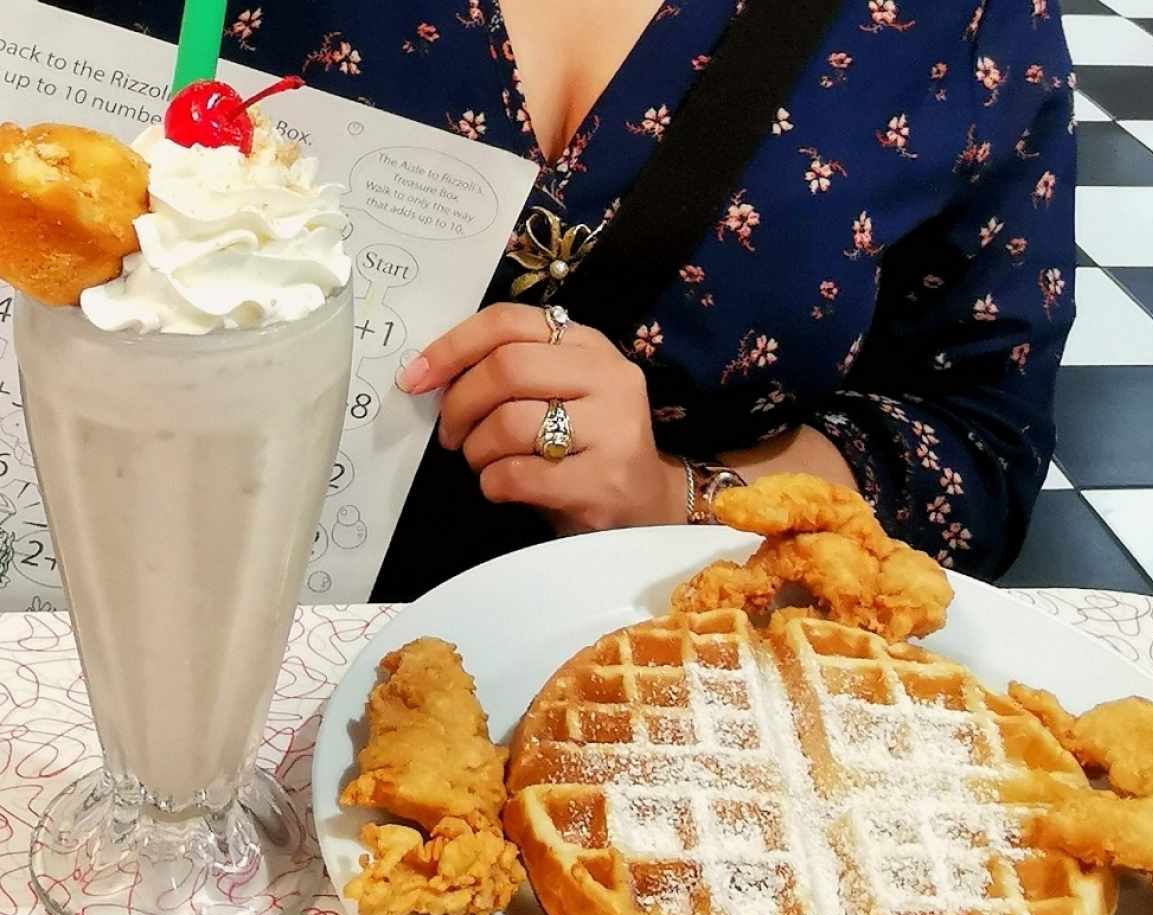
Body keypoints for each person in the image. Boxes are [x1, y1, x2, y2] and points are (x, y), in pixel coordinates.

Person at [91, 0, 1077, 599]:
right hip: (145, 640)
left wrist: (671, 496)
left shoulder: (963, 26)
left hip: (641, 723)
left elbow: (969, 435)